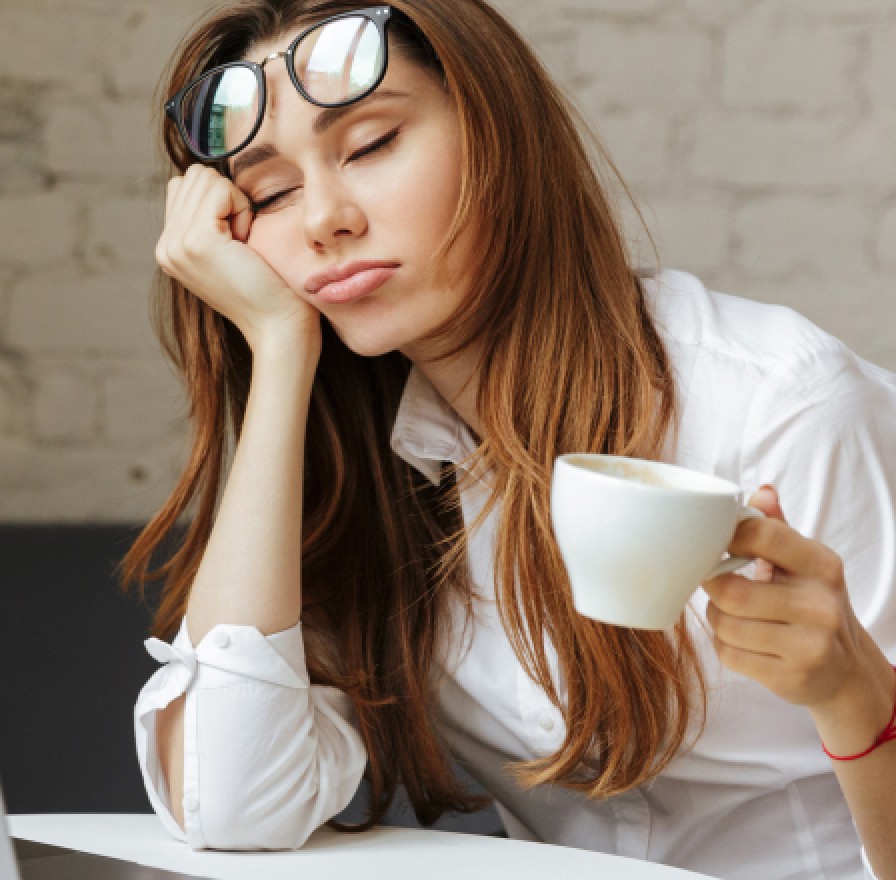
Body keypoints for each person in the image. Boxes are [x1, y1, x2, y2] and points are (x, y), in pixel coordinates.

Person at [120, 3, 896, 879]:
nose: (323, 218)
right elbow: (229, 801)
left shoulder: (783, 405)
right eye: (268, 194)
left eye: (371, 145)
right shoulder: (372, 468)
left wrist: (857, 697)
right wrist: (280, 350)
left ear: (498, 133)